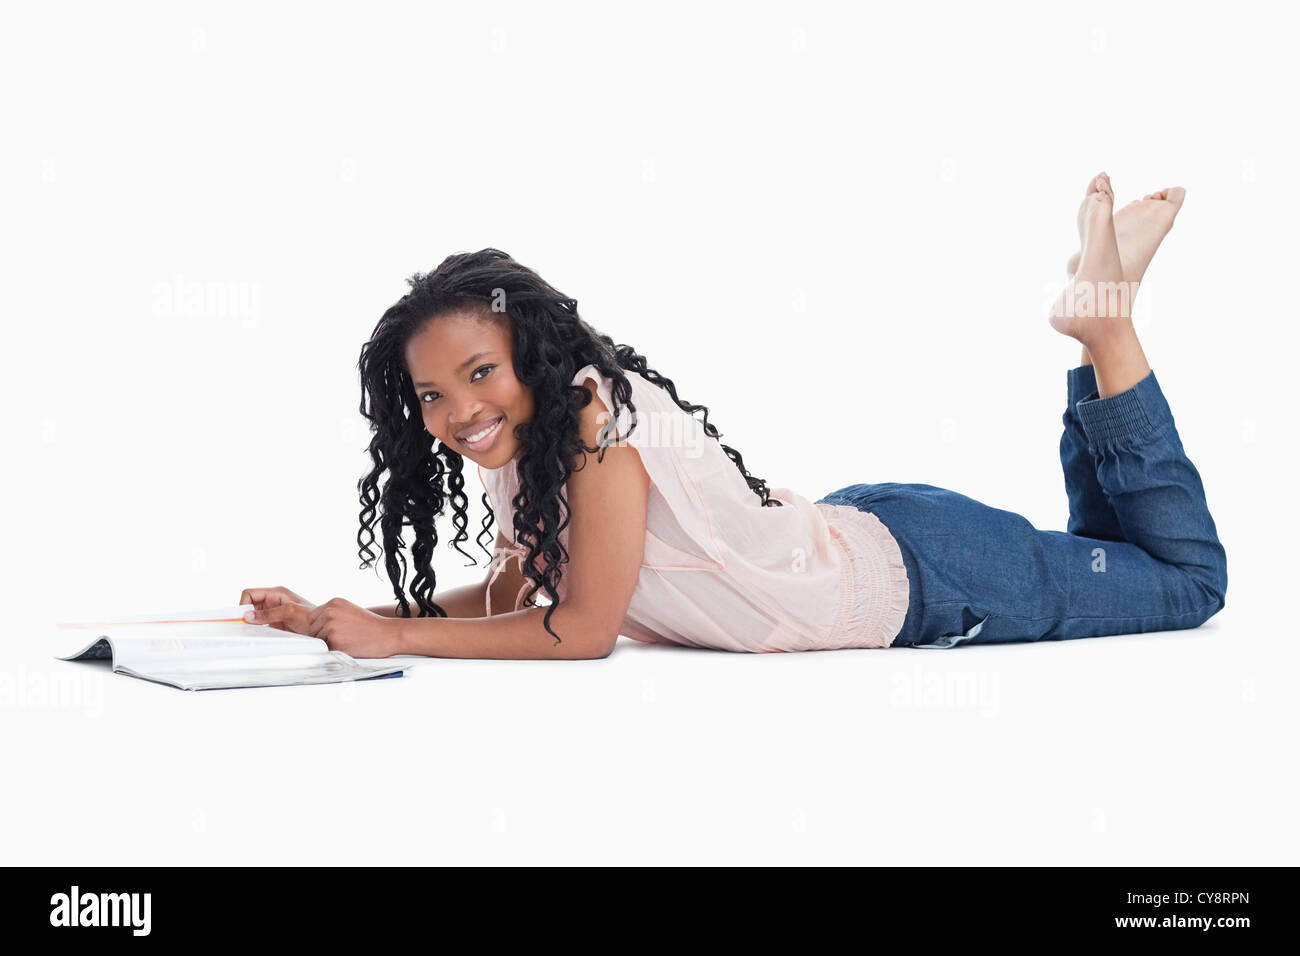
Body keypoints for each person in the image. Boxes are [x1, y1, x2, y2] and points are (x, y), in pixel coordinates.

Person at [239, 172, 1227, 659]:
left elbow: (580, 632)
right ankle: (1099, 339)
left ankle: (1104, 334)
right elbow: (513, 595)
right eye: (431, 395)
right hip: (874, 540)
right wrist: (343, 618)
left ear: (527, 350)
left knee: (1182, 583)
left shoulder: (591, 422)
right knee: (1113, 558)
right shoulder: (531, 444)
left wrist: (398, 638)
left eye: (478, 372)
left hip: (925, 576)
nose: (457, 411)